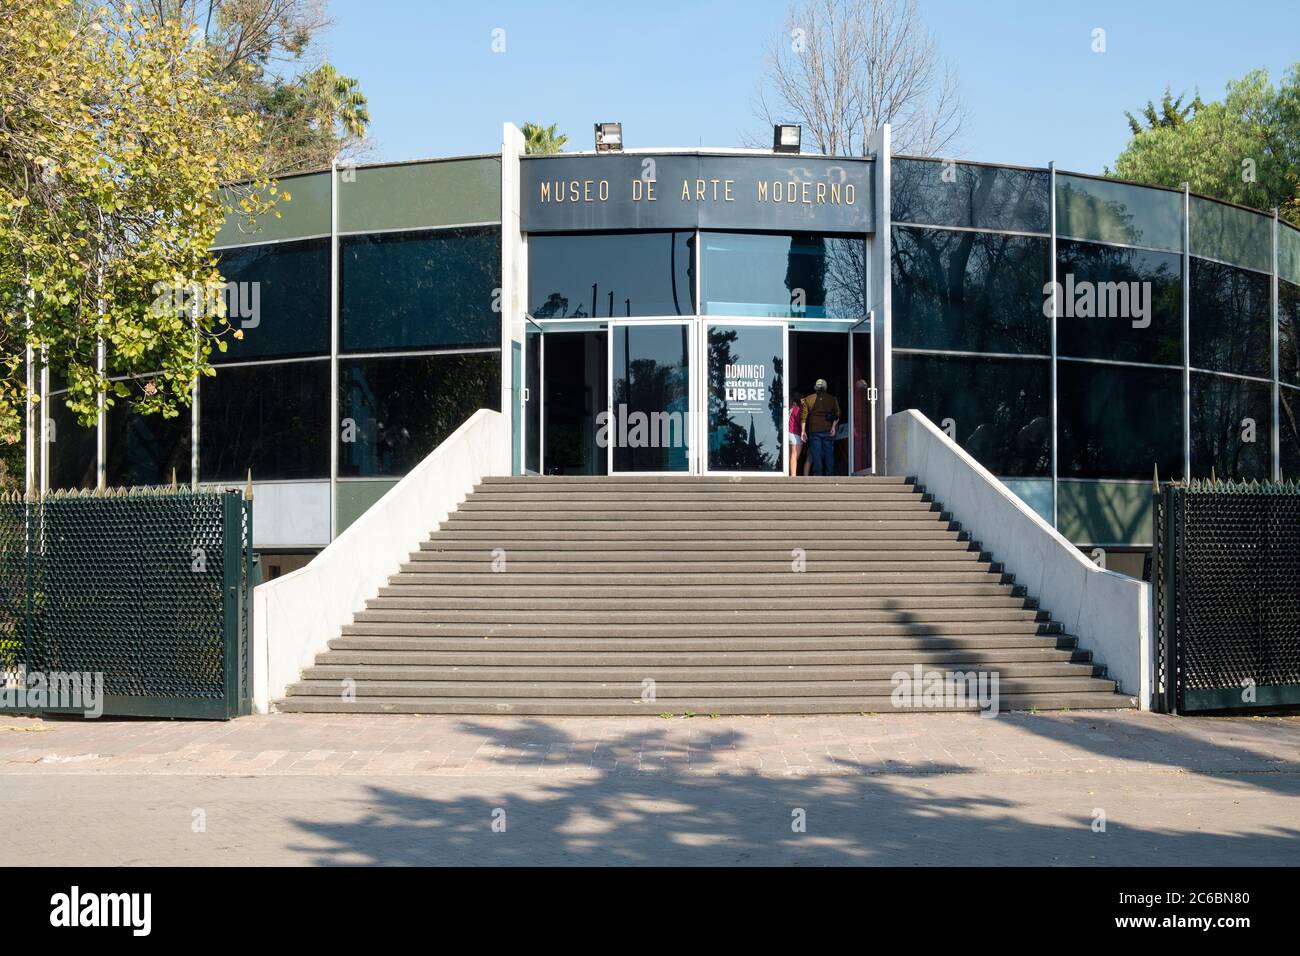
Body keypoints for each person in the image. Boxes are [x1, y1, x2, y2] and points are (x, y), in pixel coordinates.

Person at [800, 378, 841, 477]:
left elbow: (804, 416)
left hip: (814, 430)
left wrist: (803, 431)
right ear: (826, 387)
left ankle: (817, 475)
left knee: (816, 453)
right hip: (827, 429)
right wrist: (833, 427)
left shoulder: (808, 399)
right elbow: (837, 414)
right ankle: (830, 474)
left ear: (815, 388)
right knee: (829, 453)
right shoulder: (832, 399)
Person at [786, 390, 804, 477]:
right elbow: (800, 421)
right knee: (795, 455)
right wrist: (803, 432)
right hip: (795, 434)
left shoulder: (789, 409)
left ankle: (788, 473)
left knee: (790, 455)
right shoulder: (797, 409)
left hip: (787, 433)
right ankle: (793, 475)